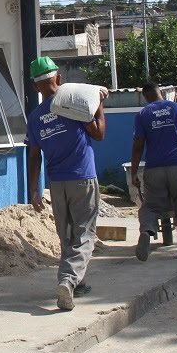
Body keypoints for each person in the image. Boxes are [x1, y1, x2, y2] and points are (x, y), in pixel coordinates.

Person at [25, 57, 107, 311]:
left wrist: (33, 190)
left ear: (35, 86)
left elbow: (34, 155)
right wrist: (99, 105)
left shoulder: (36, 117)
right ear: (57, 78)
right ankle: (68, 281)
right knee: (84, 234)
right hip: (82, 177)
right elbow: (99, 133)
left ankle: (77, 284)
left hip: (57, 183)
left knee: (67, 235)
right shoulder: (72, 104)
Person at [130, 81, 177, 261]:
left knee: (151, 206)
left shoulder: (143, 114)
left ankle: (147, 231)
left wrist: (133, 172)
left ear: (145, 96)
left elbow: (138, 145)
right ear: (160, 92)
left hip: (154, 169)